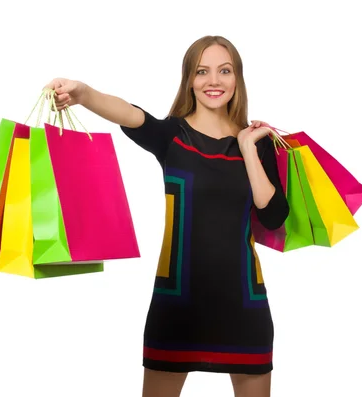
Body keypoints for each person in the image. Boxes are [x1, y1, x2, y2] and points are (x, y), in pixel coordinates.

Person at [44, 35, 289, 397]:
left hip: (244, 304)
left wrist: (248, 150)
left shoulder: (258, 142)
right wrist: (83, 93)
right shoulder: (173, 136)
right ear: (189, 79)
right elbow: (130, 113)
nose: (214, 81)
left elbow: (273, 217)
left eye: (225, 70)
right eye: (202, 71)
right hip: (177, 303)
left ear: (237, 78)